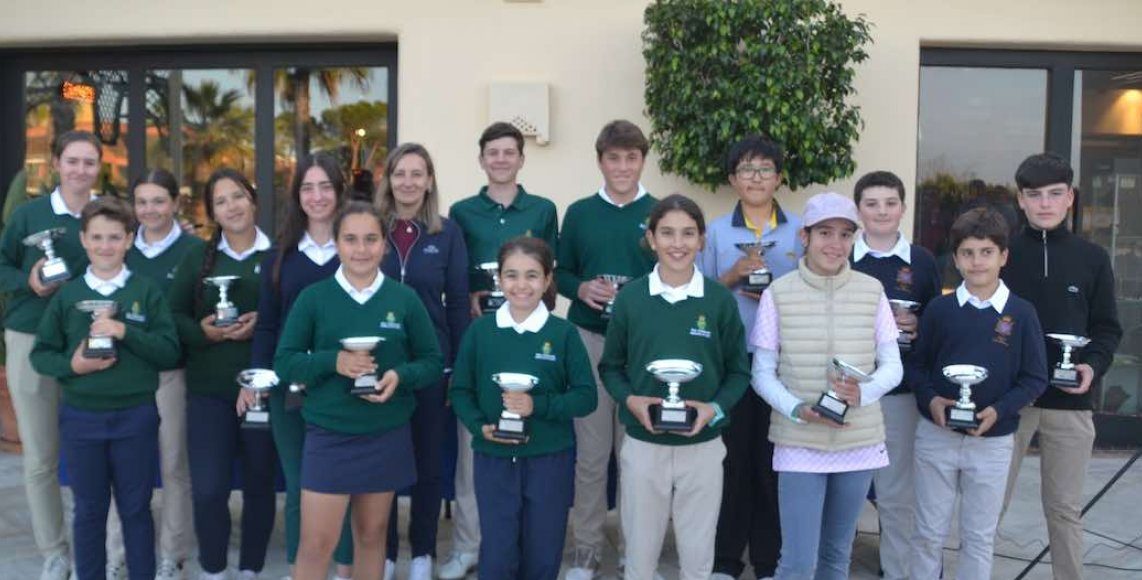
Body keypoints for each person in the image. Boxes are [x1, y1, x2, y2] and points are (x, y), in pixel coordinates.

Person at [274, 201, 444, 580]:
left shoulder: (404, 299)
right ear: (336, 243)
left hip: (384, 432)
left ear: (385, 245)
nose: (361, 249)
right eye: (350, 239)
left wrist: (400, 376)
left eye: (370, 239)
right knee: (316, 542)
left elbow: (432, 361)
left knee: (372, 536)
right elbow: (285, 363)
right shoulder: (314, 298)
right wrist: (332, 362)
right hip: (329, 435)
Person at [750, 192, 902, 580]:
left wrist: (862, 394)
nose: (835, 244)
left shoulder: (872, 291)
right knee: (798, 562)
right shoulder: (777, 294)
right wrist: (796, 409)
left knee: (837, 558)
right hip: (800, 442)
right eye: (825, 233)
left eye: (845, 234)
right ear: (805, 236)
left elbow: (892, 367)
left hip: (860, 442)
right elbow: (762, 373)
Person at [598, 194, 750, 580]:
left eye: (687, 233)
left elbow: (738, 372)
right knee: (640, 554)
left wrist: (713, 409)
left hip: (702, 446)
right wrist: (630, 400)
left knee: (698, 556)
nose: (677, 243)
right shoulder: (631, 298)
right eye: (667, 233)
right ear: (651, 238)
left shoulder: (718, 300)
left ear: (702, 240)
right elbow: (611, 367)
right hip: (644, 445)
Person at [31, 197, 180, 580]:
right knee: (89, 511)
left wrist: (125, 331)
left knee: (135, 509)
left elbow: (168, 351)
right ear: (83, 240)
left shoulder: (146, 292)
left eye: (114, 237)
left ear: (129, 239)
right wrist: (73, 366)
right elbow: (41, 355)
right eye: (97, 237)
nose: (105, 246)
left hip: (136, 417)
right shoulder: (67, 296)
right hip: (82, 417)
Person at [907, 207, 1048, 579]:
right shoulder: (939, 309)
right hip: (936, 437)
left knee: (979, 537)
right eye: (967, 253)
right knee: (926, 534)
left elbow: (1035, 378)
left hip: (992, 442)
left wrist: (998, 411)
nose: (977, 261)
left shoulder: (1022, 313)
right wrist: (933, 400)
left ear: (1004, 256)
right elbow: (918, 368)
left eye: (986, 252)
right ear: (955, 259)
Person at [1000, 153, 1122, 580]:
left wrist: (1092, 365)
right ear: (1021, 199)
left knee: (1065, 510)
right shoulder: (1001, 254)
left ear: (1069, 198)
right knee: (987, 506)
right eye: (1034, 195)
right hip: (1009, 402)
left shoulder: (1092, 258)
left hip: (1070, 405)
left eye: (1054, 194)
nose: (1045, 204)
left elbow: (1107, 328)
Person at [443, 122, 557, 579]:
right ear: (482, 159)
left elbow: (552, 272)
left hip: (530, 338)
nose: (502, 159)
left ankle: (525, 548)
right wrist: (472, 293)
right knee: (476, 448)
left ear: (521, 159)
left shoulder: (544, 209)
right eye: (493, 152)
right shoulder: (461, 211)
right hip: (482, 338)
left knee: (531, 440)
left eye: (510, 152)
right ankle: (468, 546)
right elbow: (457, 276)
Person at [450, 236, 597, 579]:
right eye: (512, 275)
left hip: (550, 459)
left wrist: (538, 404)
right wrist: (477, 425)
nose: (521, 285)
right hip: (493, 457)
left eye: (532, 275)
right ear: (499, 279)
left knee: (543, 553)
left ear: (548, 281)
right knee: (498, 555)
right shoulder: (481, 332)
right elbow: (460, 390)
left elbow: (585, 397)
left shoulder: (563, 334)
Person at [557, 120, 658, 579]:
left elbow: (671, 277)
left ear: (642, 160)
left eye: (631, 157)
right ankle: (586, 550)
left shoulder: (658, 213)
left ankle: (637, 554)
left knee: (637, 457)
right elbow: (560, 273)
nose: (622, 166)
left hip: (640, 347)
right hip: (588, 341)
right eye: (613, 158)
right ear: (600, 161)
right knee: (592, 456)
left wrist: (637, 295)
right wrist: (581, 290)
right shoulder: (578, 213)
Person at [699, 135, 801, 580]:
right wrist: (732, 274)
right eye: (746, 169)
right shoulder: (717, 232)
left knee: (773, 462)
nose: (756, 177)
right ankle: (725, 560)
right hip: (733, 362)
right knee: (732, 460)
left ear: (779, 177)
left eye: (764, 169)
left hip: (784, 363)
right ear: (732, 180)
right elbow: (698, 298)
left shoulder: (800, 231)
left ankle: (768, 560)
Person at [0, 129, 100, 580]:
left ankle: (95, 545)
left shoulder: (104, 216)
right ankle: (54, 552)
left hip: (89, 345)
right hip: (30, 341)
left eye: (89, 162)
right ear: (57, 163)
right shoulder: (27, 217)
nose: (81, 170)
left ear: (98, 168)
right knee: (40, 455)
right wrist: (30, 279)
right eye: (73, 160)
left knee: (93, 453)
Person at [251, 154, 355, 580]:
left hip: (344, 386)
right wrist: (258, 377)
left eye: (325, 186)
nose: (317, 196)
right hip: (289, 388)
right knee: (299, 486)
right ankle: (301, 571)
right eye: (308, 188)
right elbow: (267, 324)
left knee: (343, 486)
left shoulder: (357, 249)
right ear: (297, 196)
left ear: (339, 192)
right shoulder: (280, 256)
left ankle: (345, 571)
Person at [168, 169, 275, 580]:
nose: (232, 206)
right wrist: (204, 332)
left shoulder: (278, 255)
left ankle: (250, 568)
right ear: (212, 211)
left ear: (253, 200)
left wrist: (262, 320)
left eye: (238, 196)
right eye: (221, 201)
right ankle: (213, 569)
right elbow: (174, 317)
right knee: (210, 489)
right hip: (210, 392)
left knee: (260, 485)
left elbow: (293, 319)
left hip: (261, 394)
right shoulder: (197, 256)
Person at [98, 169, 205, 580]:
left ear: (175, 203)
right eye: (141, 202)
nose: (150, 210)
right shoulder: (123, 248)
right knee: (120, 469)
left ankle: (171, 556)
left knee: (175, 467)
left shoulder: (195, 249)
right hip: (123, 376)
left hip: (171, 376)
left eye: (159, 201)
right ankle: (116, 556)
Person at [375, 143, 470, 580]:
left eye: (417, 174)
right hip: (379, 366)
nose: (408, 182)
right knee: (385, 461)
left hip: (432, 366)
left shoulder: (446, 233)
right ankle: (387, 551)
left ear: (429, 180)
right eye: (400, 174)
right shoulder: (371, 228)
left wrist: (456, 367)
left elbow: (455, 308)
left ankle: (422, 554)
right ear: (388, 179)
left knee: (429, 464)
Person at [848, 170, 941, 580]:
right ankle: (833, 567)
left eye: (890, 203)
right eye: (872, 203)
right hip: (849, 390)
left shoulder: (921, 261)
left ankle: (897, 570)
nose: (881, 211)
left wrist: (921, 328)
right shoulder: (844, 255)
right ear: (859, 210)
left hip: (900, 394)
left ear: (903, 208)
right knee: (842, 487)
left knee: (896, 492)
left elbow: (936, 324)